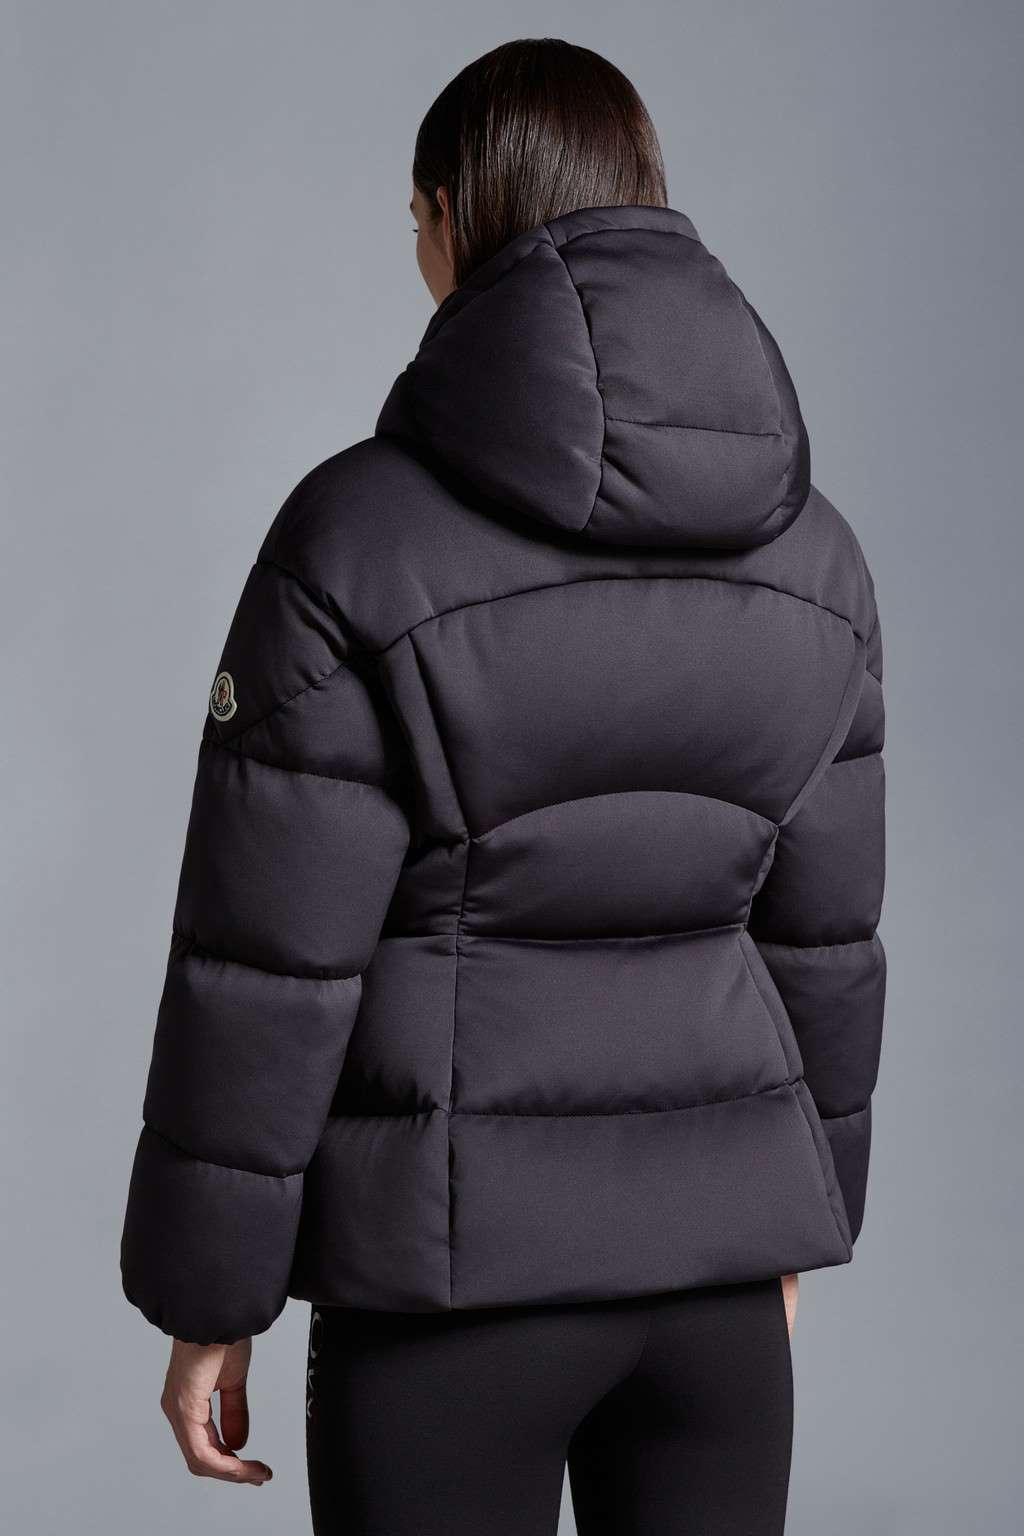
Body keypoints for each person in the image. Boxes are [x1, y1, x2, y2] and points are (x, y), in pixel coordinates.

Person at [120, 37, 886, 1536]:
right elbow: (826, 945)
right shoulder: (822, 557)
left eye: (413, 219)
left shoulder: (354, 536)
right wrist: (799, 1218)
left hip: (446, 1295)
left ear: (452, 214)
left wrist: (212, 1295)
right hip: (720, 1302)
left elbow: (269, 964)